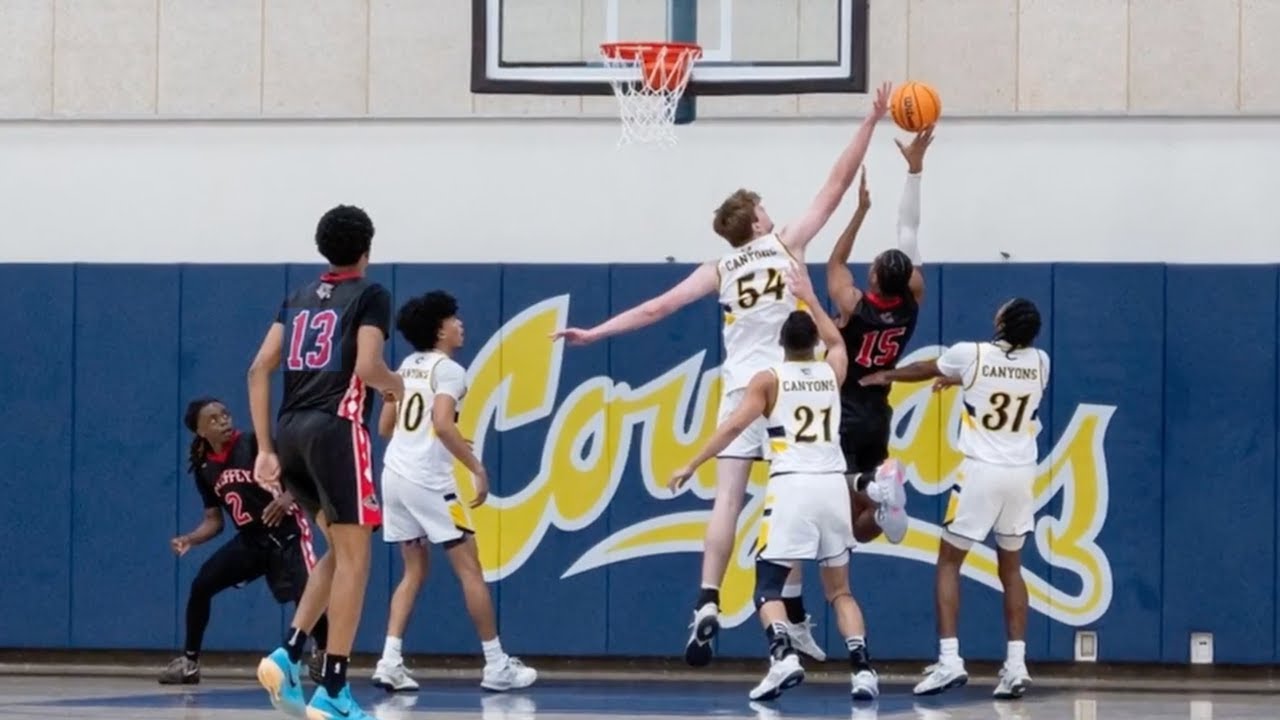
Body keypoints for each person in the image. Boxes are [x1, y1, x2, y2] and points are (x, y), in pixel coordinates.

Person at [552, 82, 893, 666]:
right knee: (803, 493)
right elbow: (835, 187)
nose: (770, 212)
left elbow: (657, 308)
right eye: (763, 208)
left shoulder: (718, 267)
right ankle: (818, 587)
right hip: (794, 383)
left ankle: (708, 601)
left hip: (741, 386)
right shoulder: (787, 243)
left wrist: (594, 333)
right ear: (758, 222)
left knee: (729, 502)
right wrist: (870, 123)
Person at [670, 265, 879, 702]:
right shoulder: (832, 371)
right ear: (815, 345)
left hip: (792, 488)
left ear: (780, 346)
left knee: (766, 589)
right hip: (831, 489)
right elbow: (839, 340)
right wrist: (809, 296)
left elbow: (730, 430)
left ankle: (782, 656)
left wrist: (692, 463)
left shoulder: (768, 380)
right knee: (840, 590)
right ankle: (863, 670)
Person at [249, 205, 405, 720]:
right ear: (367, 249)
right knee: (358, 560)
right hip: (337, 429)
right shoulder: (371, 294)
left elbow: (258, 369)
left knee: (338, 551)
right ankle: (334, 688)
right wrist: (396, 387)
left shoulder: (294, 299)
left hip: (291, 431)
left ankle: (289, 652)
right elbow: (367, 365)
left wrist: (266, 449)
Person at [860, 298, 1048, 700]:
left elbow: (925, 368)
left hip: (981, 470)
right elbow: (1004, 377)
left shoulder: (971, 354)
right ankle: (1016, 665)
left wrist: (886, 375)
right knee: (1012, 570)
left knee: (948, 562)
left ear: (1003, 320)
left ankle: (949, 660)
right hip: (1022, 473)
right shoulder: (1042, 362)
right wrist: (961, 379)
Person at [370, 291, 538, 693]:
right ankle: (496, 665)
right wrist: (476, 467)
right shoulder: (450, 371)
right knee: (470, 570)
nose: (460, 324)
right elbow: (443, 425)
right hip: (431, 482)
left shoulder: (407, 365)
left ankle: (389, 661)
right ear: (439, 328)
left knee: (414, 569)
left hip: (394, 475)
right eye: (454, 319)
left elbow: (385, 428)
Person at [159, 397, 327, 687]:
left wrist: (289, 497)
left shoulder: (254, 444)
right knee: (201, 585)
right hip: (252, 539)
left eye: (225, 414)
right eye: (213, 419)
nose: (223, 421)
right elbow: (215, 520)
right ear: (199, 431)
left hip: (287, 532)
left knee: (307, 592)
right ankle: (189, 662)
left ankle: (324, 653)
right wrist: (190, 538)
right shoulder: (204, 468)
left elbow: (306, 473)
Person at [825, 126, 935, 545]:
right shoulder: (913, 303)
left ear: (872, 276)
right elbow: (909, 231)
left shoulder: (855, 306)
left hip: (847, 409)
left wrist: (861, 211)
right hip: (878, 412)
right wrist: (915, 171)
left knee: (837, 491)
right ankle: (882, 497)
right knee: (859, 529)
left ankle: (871, 485)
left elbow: (835, 261)